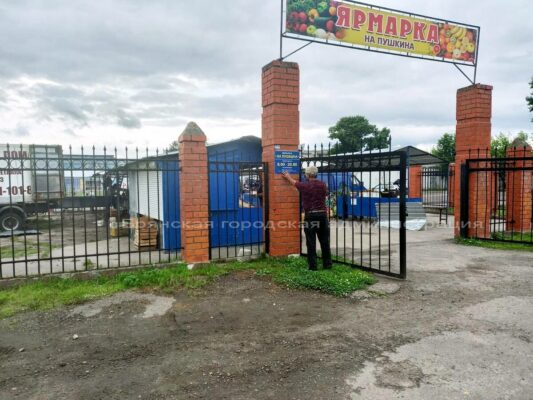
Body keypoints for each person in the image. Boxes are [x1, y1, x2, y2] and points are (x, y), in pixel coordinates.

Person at [282, 166, 332, 271]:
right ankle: (327, 264)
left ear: (307, 175)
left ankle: (313, 266)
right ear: (316, 174)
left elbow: (294, 183)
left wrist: (287, 176)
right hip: (323, 215)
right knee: (324, 241)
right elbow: (326, 193)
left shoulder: (305, 185)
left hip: (311, 216)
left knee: (311, 241)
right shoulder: (323, 184)